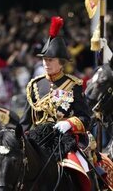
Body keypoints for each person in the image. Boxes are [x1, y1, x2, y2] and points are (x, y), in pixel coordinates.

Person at [20, 16, 95, 190]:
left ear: (61, 63)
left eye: (50, 60)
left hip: (63, 140)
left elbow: (85, 117)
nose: (46, 64)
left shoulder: (73, 85)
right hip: (36, 140)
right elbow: (25, 121)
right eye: (44, 60)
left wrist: (69, 123)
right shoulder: (34, 85)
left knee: (81, 168)